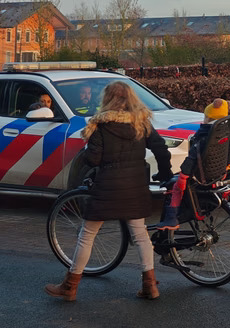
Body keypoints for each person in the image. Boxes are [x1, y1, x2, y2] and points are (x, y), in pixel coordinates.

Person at [45, 81, 173, 302]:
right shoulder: (141, 123)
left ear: (107, 99)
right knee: (141, 235)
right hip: (135, 185)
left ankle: (70, 286)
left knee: (87, 235)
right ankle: (150, 285)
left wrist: (86, 151)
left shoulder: (100, 126)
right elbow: (161, 149)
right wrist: (165, 173)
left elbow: (93, 159)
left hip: (108, 185)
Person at [151, 98, 230, 231]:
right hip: (214, 173)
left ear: (209, 119)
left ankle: (171, 219)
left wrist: (183, 176)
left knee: (176, 189)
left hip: (196, 174)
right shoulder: (222, 133)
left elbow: (191, 158)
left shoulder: (204, 137)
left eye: (205, 117)